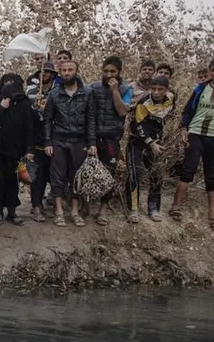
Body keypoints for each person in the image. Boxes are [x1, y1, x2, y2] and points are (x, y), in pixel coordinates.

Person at [43, 59, 96, 228]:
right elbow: (47, 119)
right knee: (57, 176)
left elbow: (91, 119)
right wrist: (48, 141)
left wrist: (92, 142)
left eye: (70, 69)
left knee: (76, 177)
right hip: (59, 140)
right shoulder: (54, 94)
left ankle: (74, 211)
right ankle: (58, 211)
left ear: (76, 70)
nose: (67, 73)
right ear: (60, 72)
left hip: (79, 141)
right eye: (64, 70)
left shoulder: (87, 93)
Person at [89, 56, 133, 225]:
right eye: (106, 71)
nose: (108, 75)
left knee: (109, 173)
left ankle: (103, 210)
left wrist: (115, 91)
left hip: (112, 138)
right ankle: (86, 205)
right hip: (93, 137)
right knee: (88, 172)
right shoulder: (93, 87)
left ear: (119, 72)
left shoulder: (126, 89)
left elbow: (123, 112)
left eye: (112, 71)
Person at [170, 60, 214, 227]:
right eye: (213, 70)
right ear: (210, 71)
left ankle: (212, 214)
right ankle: (176, 206)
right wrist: (183, 129)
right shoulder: (200, 88)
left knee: (212, 175)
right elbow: (188, 110)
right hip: (196, 134)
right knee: (188, 170)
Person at [126, 76, 173, 222]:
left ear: (166, 90)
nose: (157, 93)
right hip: (137, 141)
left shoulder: (170, 101)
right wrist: (151, 143)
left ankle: (153, 208)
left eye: (160, 90)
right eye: (154, 89)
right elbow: (138, 125)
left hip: (157, 143)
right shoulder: (143, 102)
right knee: (134, 174)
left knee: (156, 174)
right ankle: (133, 209)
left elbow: (167, 119)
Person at [0, 73, 33, 226]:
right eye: (7, 82)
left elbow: (29, 127)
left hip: (16, 149)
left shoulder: (24, 103)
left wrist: (29, 149)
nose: (10, 86)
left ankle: (12, 211)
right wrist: (1, 108)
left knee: (13, 181)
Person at [26, 61, 58, 221]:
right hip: (36, 138)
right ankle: (36, 206)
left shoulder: (58, 90)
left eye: (47, 72)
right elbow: (25, 114)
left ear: (53, 74)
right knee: (37, 175)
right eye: (41, 72)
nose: (43, 74)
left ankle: (56, 204)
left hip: (55, 138)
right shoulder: (31, 90)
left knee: (53, 174)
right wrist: (34, 105)